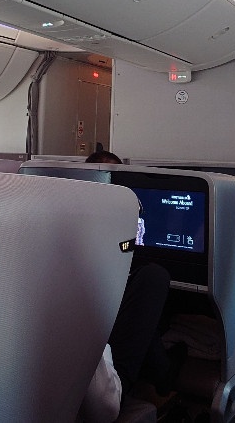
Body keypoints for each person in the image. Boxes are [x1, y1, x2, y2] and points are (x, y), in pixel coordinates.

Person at [81, 150, 185, 422]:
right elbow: (103, 408)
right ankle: (163, 372)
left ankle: (162, 369)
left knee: (143, 282)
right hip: (104, 396)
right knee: (154, 278)